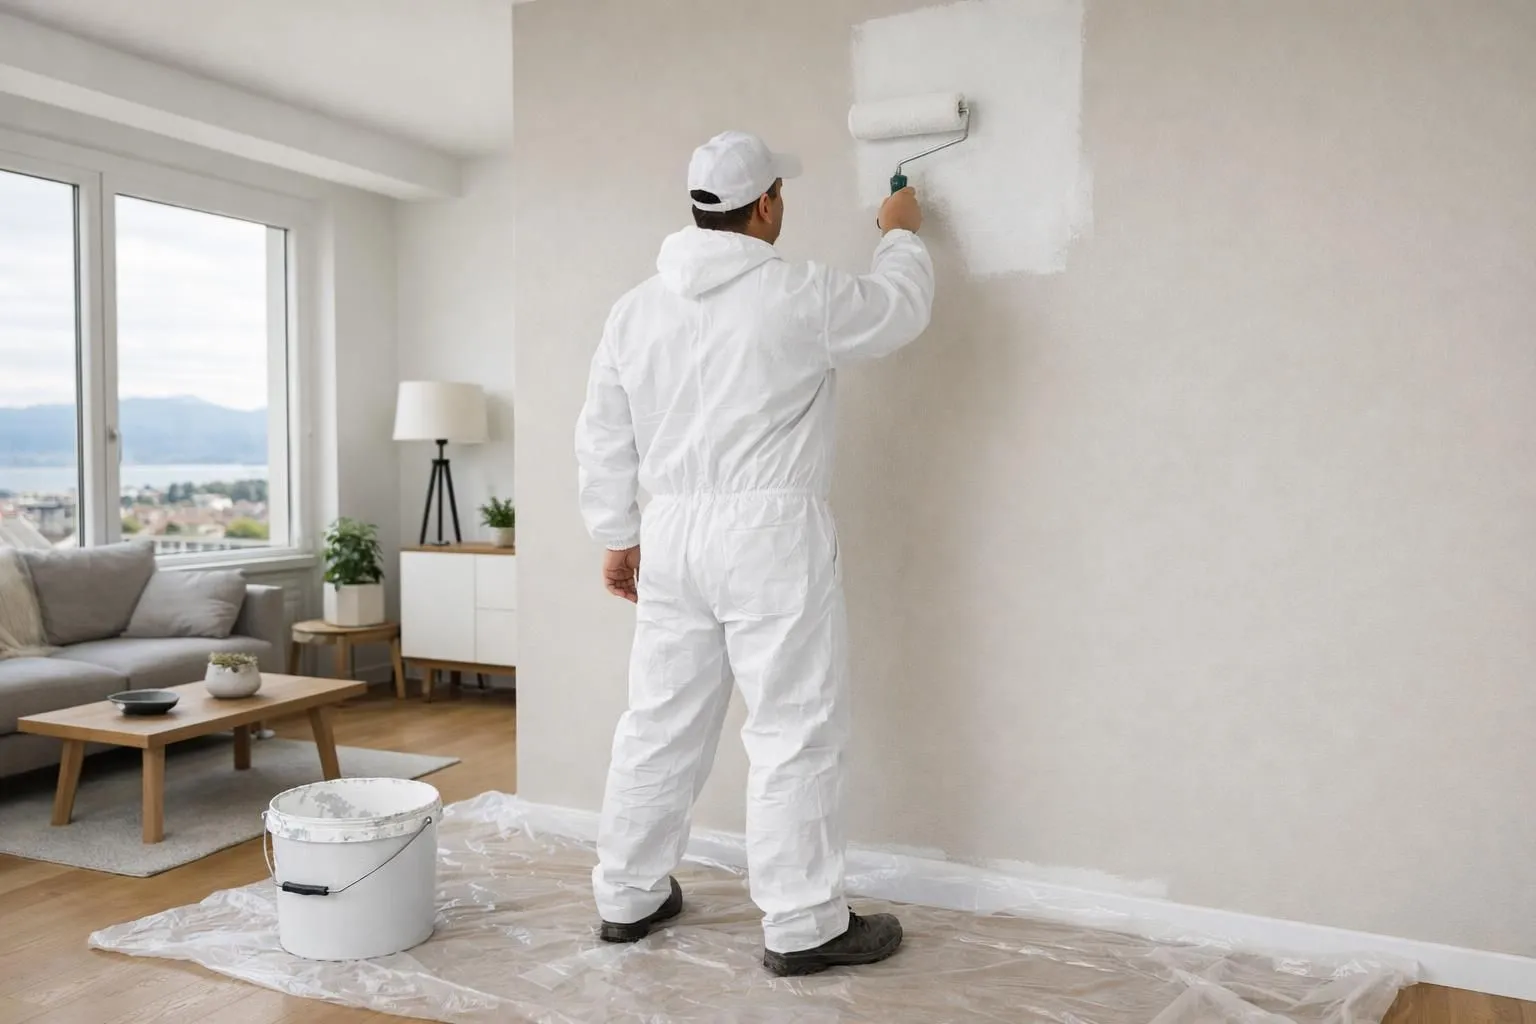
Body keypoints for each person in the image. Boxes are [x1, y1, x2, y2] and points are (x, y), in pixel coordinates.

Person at [574, 129, 935, 977]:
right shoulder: (794, 292)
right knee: (793, 727)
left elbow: (602, 432)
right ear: (766, 204)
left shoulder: (636, 307)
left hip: (671, 533)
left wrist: (616, 534)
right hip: (769, 534)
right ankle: (805, 924)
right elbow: (899, 311)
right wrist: (902, 232)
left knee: (659, 721)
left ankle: (627, 895)